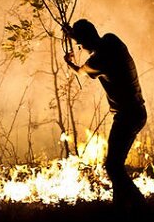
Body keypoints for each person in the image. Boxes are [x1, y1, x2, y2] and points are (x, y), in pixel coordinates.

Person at [62, 18, 147, 210]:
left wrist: (69, 64)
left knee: (113, 166)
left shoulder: (99, 59)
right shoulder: (111, 40)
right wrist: (74, 34)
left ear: (84, 42)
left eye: (80, 45)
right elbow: (91, 43)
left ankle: (141, 208)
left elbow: (81, 72)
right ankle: (121, 209)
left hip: (127, 115)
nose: (81, 48)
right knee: (116, 164)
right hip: (137, 111)